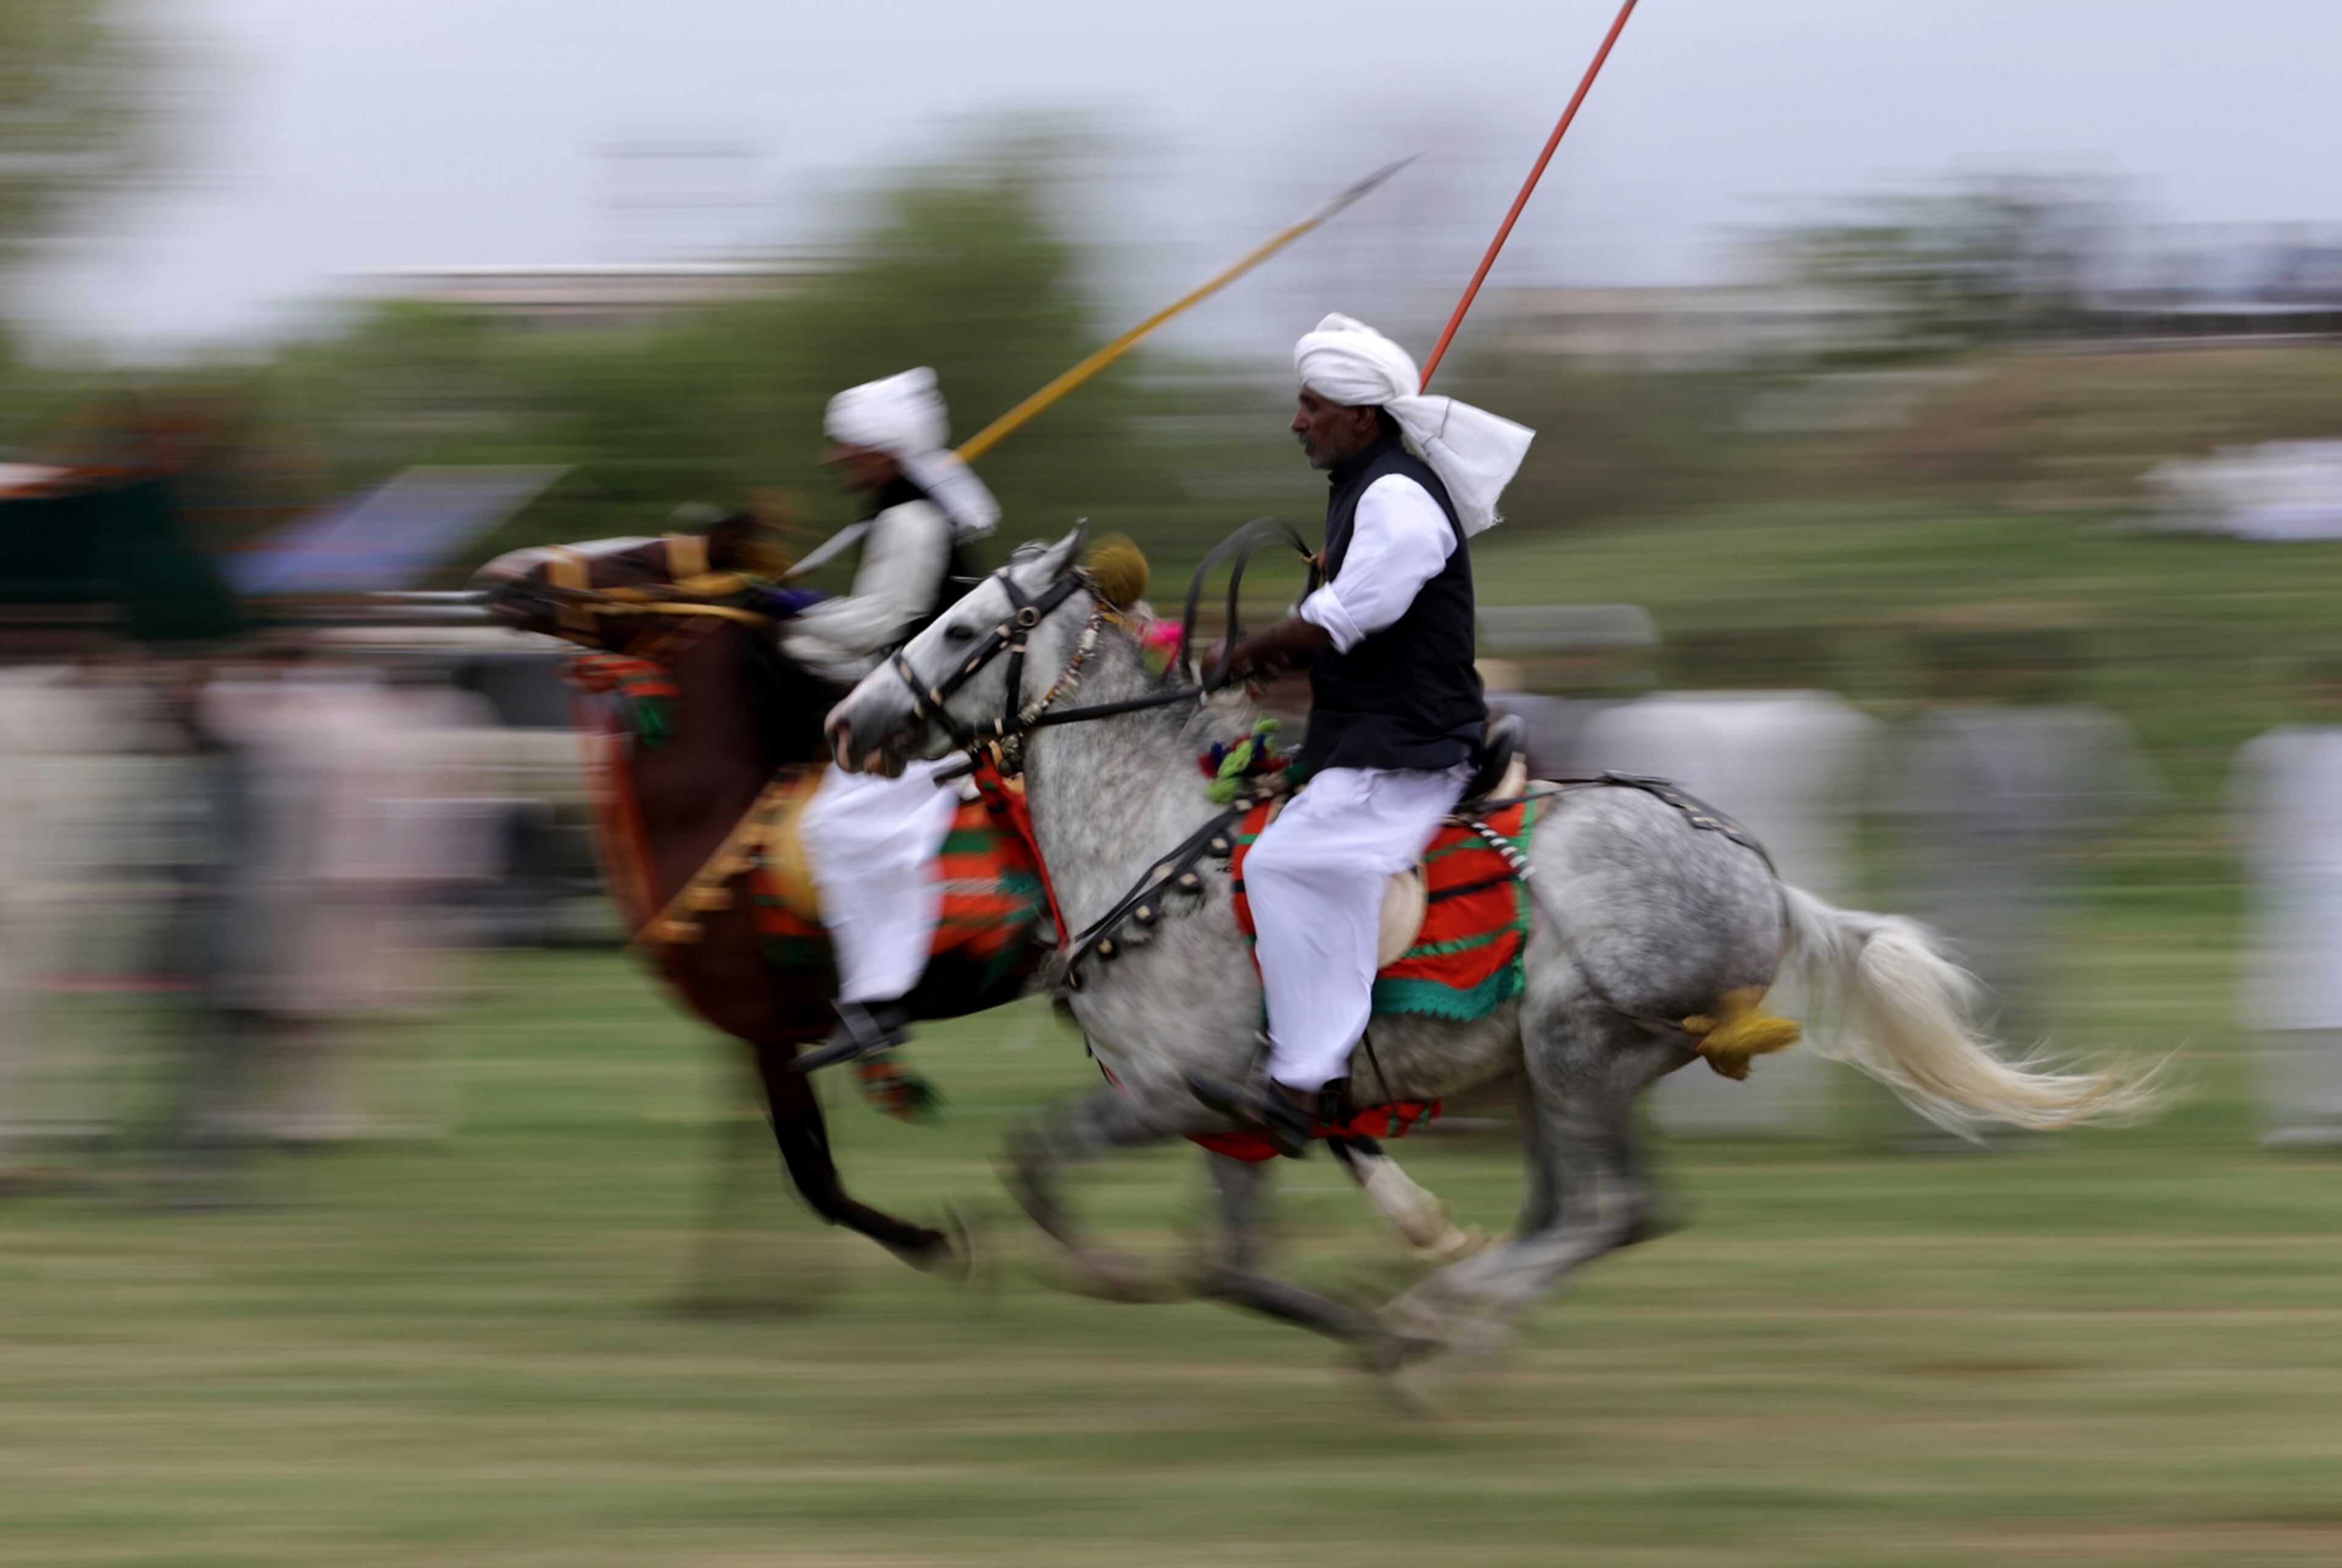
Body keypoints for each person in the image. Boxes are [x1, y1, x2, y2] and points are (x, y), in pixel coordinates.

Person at [1189, 313, 1533, 1155]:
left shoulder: (1397, 496)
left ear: (1363, 417)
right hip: (1369, 736)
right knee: (1274, 852)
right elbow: (1350, 632)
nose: (1298, 421)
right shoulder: (1364, 487)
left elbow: (1351, 616)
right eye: (1302, 404)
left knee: (1285, 859)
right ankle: (1314, 1062)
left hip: (1409, 746)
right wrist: (1271, 658)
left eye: (1312, 406)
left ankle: (1305, 1079)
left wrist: (1252, 650)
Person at [784, 369, 1000, 1064]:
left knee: (833, 824)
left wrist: (789, 617)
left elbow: (879, 623)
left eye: (843, 445)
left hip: (937, 712)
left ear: (880, 451)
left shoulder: (911, 518)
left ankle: (877, 1002)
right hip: (913, 696)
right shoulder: (901, 508)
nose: (831, 458)